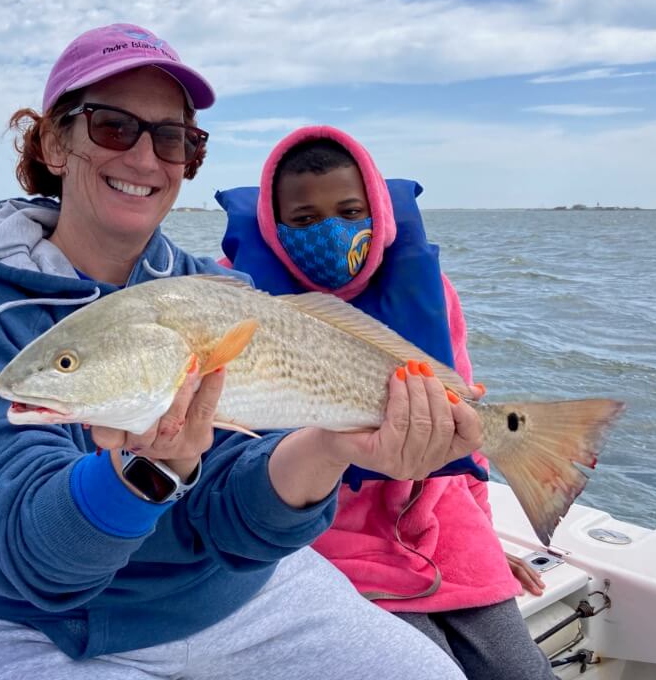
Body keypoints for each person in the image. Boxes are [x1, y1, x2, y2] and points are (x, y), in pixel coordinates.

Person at [0, 23, 483, 680]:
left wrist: (334, 446)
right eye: (113, 127)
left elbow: (237, 520)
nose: (145, 160)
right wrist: (142, 474)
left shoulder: (219, 296)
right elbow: (14, 553)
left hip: (229, 597)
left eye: (173, 139)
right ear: (56, 142)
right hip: (19, 628)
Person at [216, 125, 555, 679]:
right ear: (274, 228)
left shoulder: (429, 289)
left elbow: (467, 445)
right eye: (304, 220)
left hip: (446, 527)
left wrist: (488, 539)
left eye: (351, 211)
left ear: (378, 209)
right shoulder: (236, 300)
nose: (331, 230)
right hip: (329, 542)